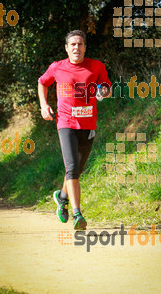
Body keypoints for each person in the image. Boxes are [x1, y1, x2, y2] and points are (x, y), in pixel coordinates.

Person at [38, 30, 111, 230]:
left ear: (85, 47)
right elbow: (42, 82)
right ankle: (77, 214)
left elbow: (106, 86)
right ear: (66, 48)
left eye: (80, 44)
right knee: (72, 169)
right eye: (72, 44)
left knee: (76, 170)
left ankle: (62, 197)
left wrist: (103, 91)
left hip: (88, 125)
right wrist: (44, 105)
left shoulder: (96, 66)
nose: (76, 47)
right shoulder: (57, 67)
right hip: (66, 123)